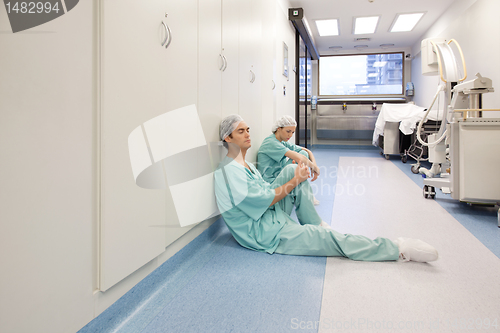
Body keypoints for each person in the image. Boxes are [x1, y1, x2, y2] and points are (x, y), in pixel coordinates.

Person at [214, 114, 438, 262]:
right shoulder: (230, 172)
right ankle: (397, 248)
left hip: (269, 216)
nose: (248, 134)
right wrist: (296, 182)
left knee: (293, 170)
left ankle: (316, 223)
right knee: (330, 240)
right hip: (264, 233)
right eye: (241, 131)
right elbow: (267, 200)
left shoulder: (246, 165)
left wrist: (299, 174)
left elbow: (268, 192)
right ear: (228, 138)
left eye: (247, 129)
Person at [257, 115, 320, 184]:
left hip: (279, 176)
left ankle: (298, 188)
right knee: (300, 159)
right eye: (288, 131)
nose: (290, 135)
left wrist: (314, 166)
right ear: (278, 129)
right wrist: (314, 168)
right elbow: (299, 157)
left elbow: (307, 151)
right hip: (270, 181)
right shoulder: (271, 142)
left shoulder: (282, 141)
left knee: (303, 153)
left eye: (292, 132)